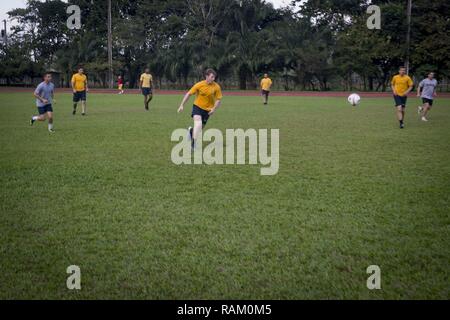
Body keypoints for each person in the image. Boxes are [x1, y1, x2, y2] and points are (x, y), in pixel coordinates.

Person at [177, 69, 223, 149]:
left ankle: (191, 131)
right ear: (207, 76)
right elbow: (189, 94)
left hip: (208, 110)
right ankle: (193, 144)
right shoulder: (199, 85)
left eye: (214, 77)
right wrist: (182, 105)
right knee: (198, 124)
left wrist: (213, 109)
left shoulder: (216, 87)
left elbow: (218, 99)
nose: (213, 79)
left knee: (200, 128)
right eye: (212, 77)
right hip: (197, 107)